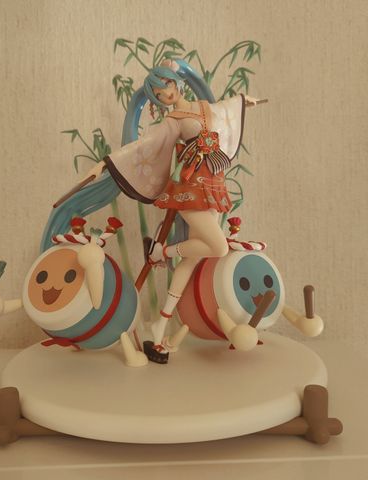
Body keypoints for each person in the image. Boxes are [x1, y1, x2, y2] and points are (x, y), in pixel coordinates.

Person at [81, 60, 259, 363]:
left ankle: (160, 323)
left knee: (193, 257)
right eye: (160, 94)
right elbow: (145, 145)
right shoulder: (173, 120)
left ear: (176, 82)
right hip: (190, 188)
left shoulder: (204, 107)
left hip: (214, 183)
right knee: (217, 247)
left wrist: (243, 102)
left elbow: (225, 110)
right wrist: (105, 163)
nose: (167, 94)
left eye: (168, 86)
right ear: (157, 101)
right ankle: (162, 252)